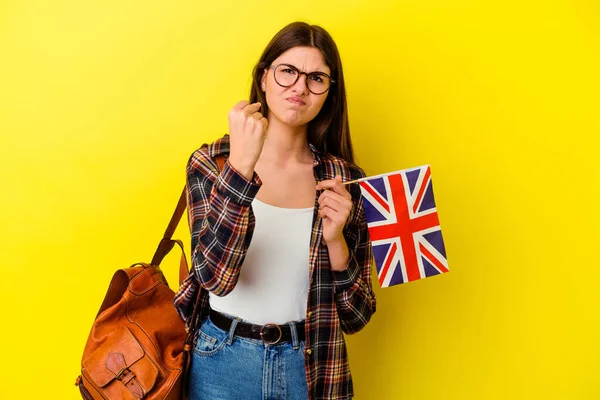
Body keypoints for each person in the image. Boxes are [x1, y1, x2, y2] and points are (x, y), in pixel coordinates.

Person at [174, 21, 376, 400]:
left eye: (316, 78)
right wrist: (240, 170)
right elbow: (215, 278)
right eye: (288, 72)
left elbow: (357, 315)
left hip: (310, 364)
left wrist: (336, 241)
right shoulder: (213, 163)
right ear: (264, 78)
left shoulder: (343, 180)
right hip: (221, 362)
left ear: (329, 94)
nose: (300, 87)